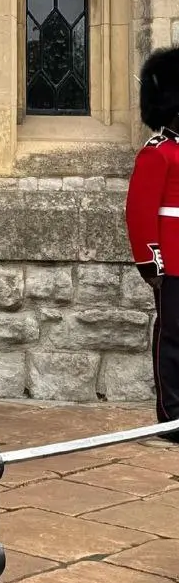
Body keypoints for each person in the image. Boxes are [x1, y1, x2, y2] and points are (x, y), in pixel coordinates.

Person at [126, 46, 179, 430]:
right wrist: (152, 263)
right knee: (173, 339)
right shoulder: (157, 153)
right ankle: (171, 415)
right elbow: (140, 212)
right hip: (172, 262)